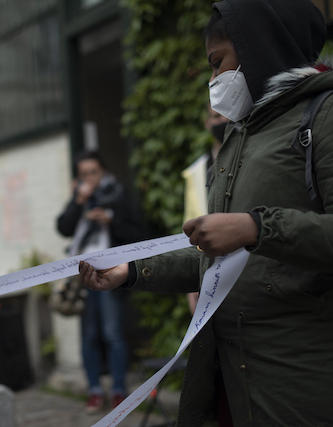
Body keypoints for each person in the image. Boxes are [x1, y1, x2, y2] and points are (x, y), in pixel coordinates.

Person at [79, 1, 333, 425]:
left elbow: (254, 238)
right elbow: (217, 262)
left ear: (258, 49)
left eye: (218, 64)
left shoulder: (322, 115)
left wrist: (255, 227)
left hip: (300, 382)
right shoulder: (238, 136)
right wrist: (132, 271)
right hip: (231, 381)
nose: (214, 81)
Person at [56, 150, 143, 412]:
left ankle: (118, 390)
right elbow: (63, 228)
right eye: (83, 174)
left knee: (112, 333)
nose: (89, 178)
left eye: (93, 172)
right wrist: (77, 201)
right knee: (89, 335)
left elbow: (137, 231)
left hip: (109, 274)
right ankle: (94, 390)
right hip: (83, 274)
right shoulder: (80, 198)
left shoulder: (117, 194)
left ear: (102, 171)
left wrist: (110, 220)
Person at [183, 106, 229, 315]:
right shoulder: (196, 172)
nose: (223, 122)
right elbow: (190, 221)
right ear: (207, 122)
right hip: (208, 265)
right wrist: (191, 283)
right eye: (217, 116)